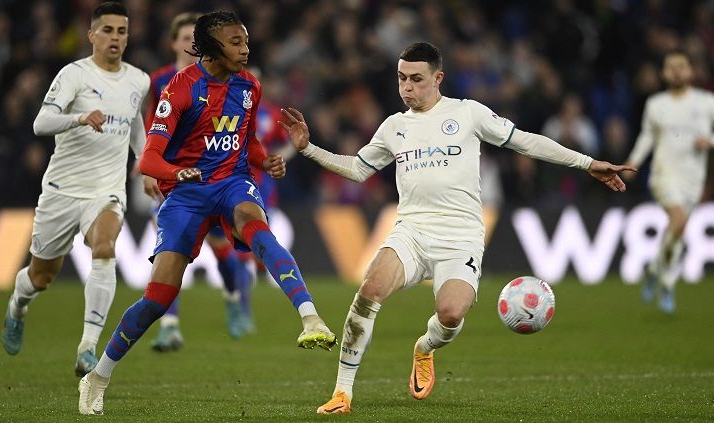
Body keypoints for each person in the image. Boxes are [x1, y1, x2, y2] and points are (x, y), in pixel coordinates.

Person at [279, 42, 634, 415]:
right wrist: (308, 149)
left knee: (450, 314)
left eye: (416, 79)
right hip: (412, 231)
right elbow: (357, 169)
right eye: (402, 79)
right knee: (370, 289)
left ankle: (425, 348)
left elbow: (525, 142)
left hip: (461, 235)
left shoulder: (468, 114)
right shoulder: (394, 127)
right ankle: (342, 393)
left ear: (438, 78)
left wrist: (587, 162)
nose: (407, 88)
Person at [78, 11, 336, 416]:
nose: (246, 49)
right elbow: (149, 161)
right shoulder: (180, 89)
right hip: (187, 194)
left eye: (246, 41)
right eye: (236, 42)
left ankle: (310, 317)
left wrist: (266, 161)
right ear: (213, 47)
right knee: (157, 299)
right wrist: (178, 172)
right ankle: (100, 375)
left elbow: (246, 141)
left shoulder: (250, 86)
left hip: (232, 182)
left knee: (259, 229)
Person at [0, 1, 149, 377]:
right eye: (108, 30)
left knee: (105, 247)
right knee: (41, 277)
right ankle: (18, 305)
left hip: (108, 190)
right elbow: (41, 122)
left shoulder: (138, 80)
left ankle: (88, 347)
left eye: (122, 31)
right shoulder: (73, 75)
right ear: (92, 35)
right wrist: (80, 117)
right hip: (63, 190)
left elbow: (136, 129)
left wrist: (147, 166)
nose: (116, 37)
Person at [141, 12, 254, 349]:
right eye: (186, 36)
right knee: (169, 250)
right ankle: (170, 325)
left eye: (197, 36)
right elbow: (152, 126)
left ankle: (234, 297)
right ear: (174, 43)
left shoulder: (225, 80)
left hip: (212, 177)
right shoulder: (161, 81)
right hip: (172, 178)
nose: (193, 42)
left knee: (220, 247)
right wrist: (150, 168)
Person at [625, 51, 714, 314]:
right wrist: (633, 163)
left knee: (677, 230)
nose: (676, 71)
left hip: (692, 179)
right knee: (678, 220)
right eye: (671, 67)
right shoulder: (656, 104)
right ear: (664, 73)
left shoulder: (707, 102)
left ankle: (656, 271)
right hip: (663, 175)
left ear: (690, 72)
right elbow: (647, 138)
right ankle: (667, 282)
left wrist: (710, 142)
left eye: (681, 66)